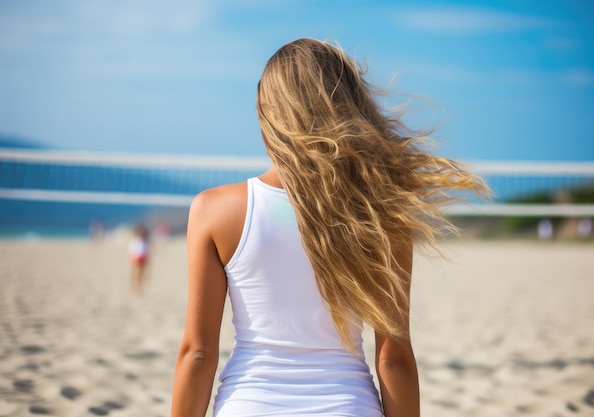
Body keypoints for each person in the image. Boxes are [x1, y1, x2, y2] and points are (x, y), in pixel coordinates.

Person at [171, 38, 487, 417]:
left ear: (268, 117)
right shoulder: (379, 214)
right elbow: (393, 359)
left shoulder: (214, 211)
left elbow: (198, 354)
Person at [128, 224, 150, 294]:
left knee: (142, 274)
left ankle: (139, 287)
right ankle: (135, 287)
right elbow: (131, 251)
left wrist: (148, 259)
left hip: (143, 259)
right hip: (136, 259)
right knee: (136, 273)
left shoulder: (144, 242)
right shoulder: (134, 242)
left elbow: (147, 251)